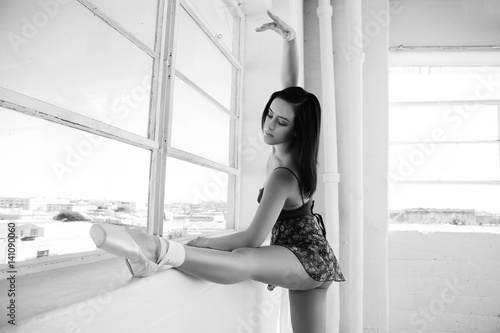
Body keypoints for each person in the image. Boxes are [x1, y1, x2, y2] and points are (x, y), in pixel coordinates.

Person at [90, 10, 344, 333]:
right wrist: (290, 40)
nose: (269, 124)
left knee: (244, 259)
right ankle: (155, 255)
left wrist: (204, 242)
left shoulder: (284, 174)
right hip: (310, 258)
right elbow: (292, 90)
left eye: (281, 123)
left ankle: (159, 250)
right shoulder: (291, 143)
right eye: (269, 114)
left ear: (297, 130)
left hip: (307, 258)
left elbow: (253, 239)